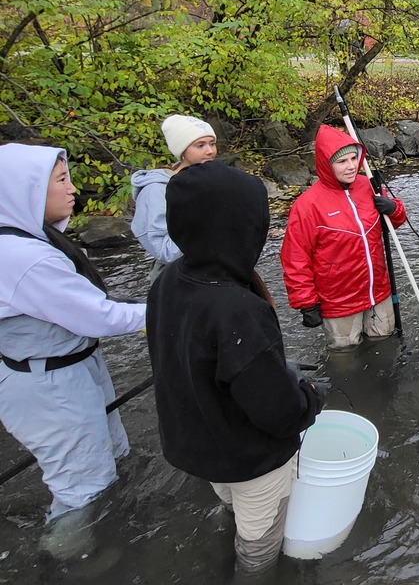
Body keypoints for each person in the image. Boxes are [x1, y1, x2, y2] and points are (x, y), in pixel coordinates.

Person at [146, 161, 327, 575]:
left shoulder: (170, 279)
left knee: (231, 507)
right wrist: (311, 399)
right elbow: (279, 414)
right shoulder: (237, 309)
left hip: (200, 445)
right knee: (259, 548)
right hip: (250, 460)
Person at [0, 144, 146, 541]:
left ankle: (106, 539)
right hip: (50, 385)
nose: (73, 189)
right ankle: (68, 559)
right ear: (25, 191)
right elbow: (97, 315)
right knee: (83, 488)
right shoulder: (25, 258)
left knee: (113, 455)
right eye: (61, 180)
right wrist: (166, 311)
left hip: (71, 365)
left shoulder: (31, 240)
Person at [281, 125, 406, 350]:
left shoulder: (368, 186)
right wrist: (306, 303)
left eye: (353, 158)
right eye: (342, 162)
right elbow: (295, 258)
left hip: (378, 291)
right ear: (327, 165)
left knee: (385, 347)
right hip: (339, 302)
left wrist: (393, 209)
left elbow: (393, 224)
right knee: (345, 358)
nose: (351, 166)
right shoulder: (307, 206)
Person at [130, 114, 218, 281]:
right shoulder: (156, 190)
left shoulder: (214, 179)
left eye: (212, 143)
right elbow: (164, 251)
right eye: (200, 145)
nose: (210, 151)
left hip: (213, 272)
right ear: (182, 150)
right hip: (176, 279)